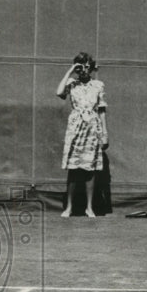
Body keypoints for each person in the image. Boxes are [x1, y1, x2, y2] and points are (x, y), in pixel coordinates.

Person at [56, 53, 108, 218]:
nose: (84, 69)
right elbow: (59, 93)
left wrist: (104, 133)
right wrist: (70, 70)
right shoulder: (72, 84)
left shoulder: (98, 85)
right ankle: (69, 207)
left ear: (91, 67)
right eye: (80, 66)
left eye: (86, 65)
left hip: (92, 128)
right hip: (75, 128)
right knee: (73, 167)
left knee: (90, 169)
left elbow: (101, 110)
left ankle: (89, 207)